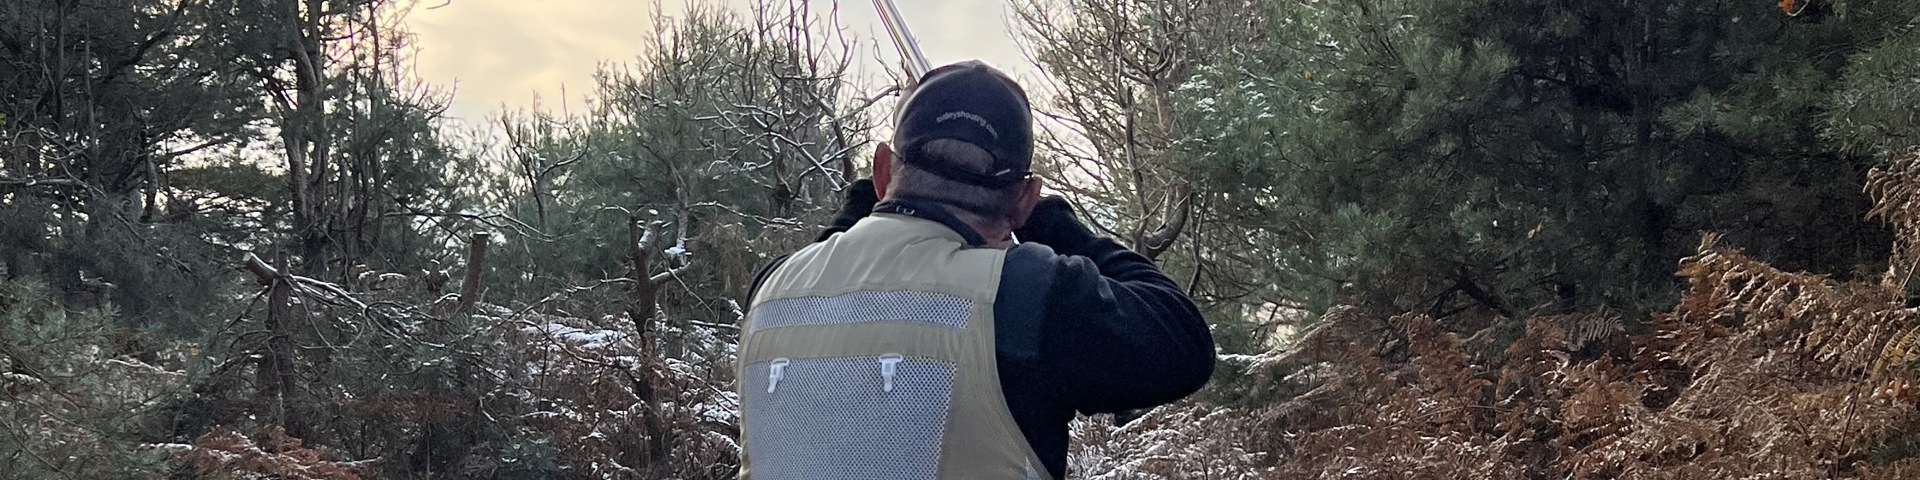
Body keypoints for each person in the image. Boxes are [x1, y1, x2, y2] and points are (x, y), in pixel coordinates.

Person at [737, 60, 1214, 480]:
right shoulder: (1024, 296)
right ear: (1023, 198)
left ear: (884, 171)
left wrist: (866, 201)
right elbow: (1182, 342)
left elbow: (828, 259)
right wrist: (1054, 224)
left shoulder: (770, 291)